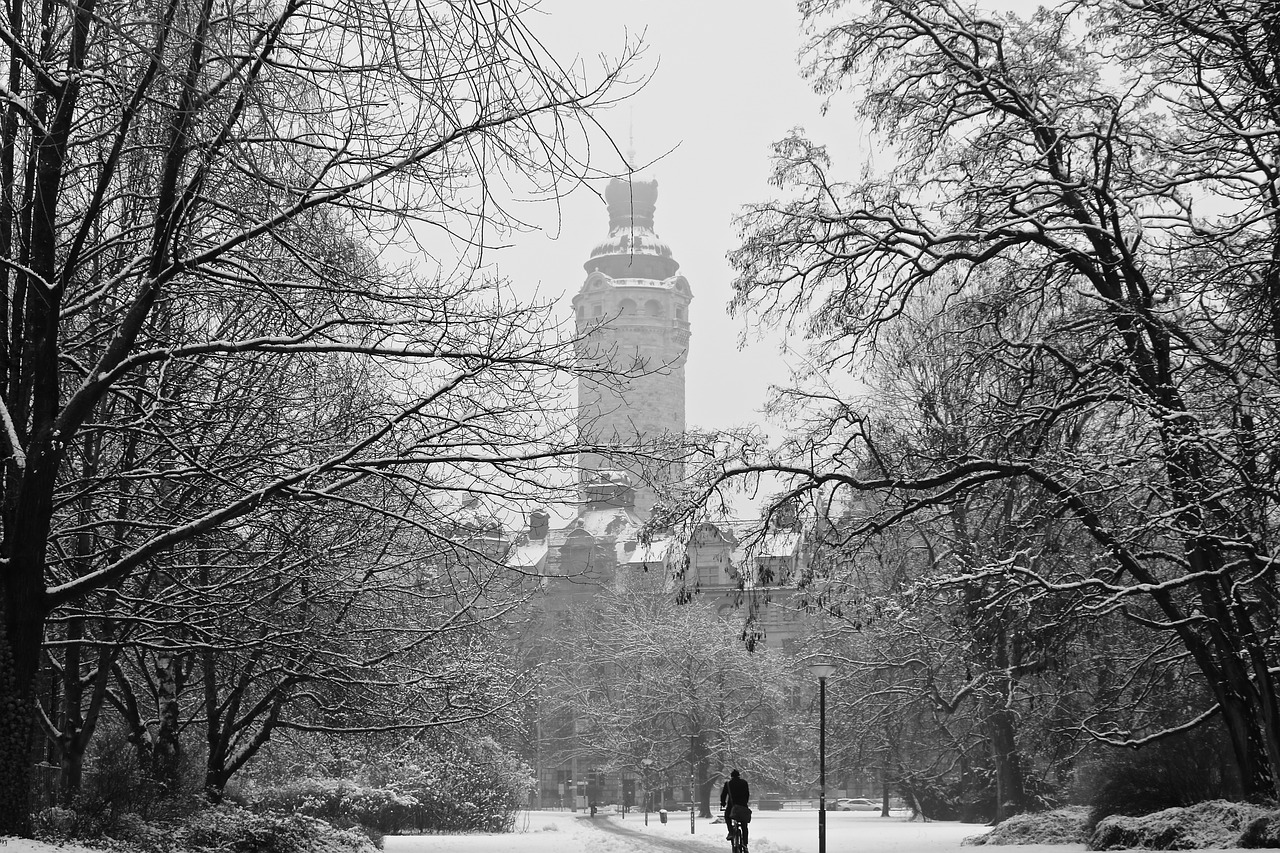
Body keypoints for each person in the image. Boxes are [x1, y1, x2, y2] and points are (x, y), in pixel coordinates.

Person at [720, 769, 750, 851]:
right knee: (744, 826)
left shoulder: (728, 784)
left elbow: (723, 795)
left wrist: (723, 803)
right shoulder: (744, 783)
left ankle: (731, 832)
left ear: (731, 776)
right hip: (742, 807)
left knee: (727, 816)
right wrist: (745, 803)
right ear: (739, 775)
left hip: (732, 807)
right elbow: (747, 794)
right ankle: (745, 844)